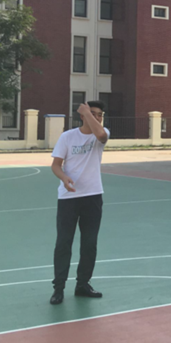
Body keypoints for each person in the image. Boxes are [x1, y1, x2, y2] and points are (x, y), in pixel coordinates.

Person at [49, 101, 110, 305]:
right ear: (82, 116)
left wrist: (88, 113)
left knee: (89, 244)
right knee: (63, 243)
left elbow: (101, 135)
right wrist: (64, 178)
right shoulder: (67, 137)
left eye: (100, 114)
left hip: (93, 196)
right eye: (93, 113)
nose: (97, 117)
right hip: (69, 198)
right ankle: (58, 288)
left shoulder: (101, 134)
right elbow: (56, 165)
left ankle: (83, 284)